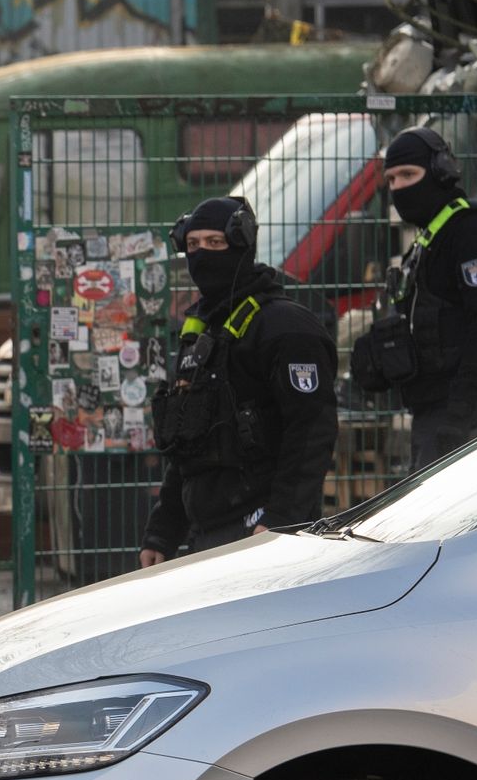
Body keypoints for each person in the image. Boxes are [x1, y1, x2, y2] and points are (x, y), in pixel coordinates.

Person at [140, 196, 338, 566]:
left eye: (215, 243)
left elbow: (312, 432)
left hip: (263, 531)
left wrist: (281, 520)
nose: (203, 254)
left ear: (242, 244)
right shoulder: (199, 333)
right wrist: (163, 533)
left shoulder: (286, 328)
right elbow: (187, 446)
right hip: (209, 531)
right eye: (194, 245)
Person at [352, 126, 477, 469]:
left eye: (408, 174)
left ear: (441, 171)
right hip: (434, 415)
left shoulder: (473, 233)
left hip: (473, 415)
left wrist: (460, 414)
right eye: (391, 179)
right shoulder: (427, 242)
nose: (399, 187)